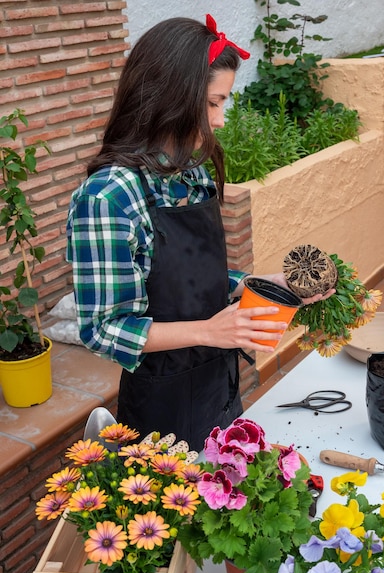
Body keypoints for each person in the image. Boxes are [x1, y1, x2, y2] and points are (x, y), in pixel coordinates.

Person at [67, 15, 333, 450]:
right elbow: (104, 328)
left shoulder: (191, 174)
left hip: (220, 387)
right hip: (160, 409)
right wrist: (210, 331)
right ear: (168, 96)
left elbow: (191, 279)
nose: (221, 120)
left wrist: (260, 286)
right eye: (212, 103)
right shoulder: (108, 197)